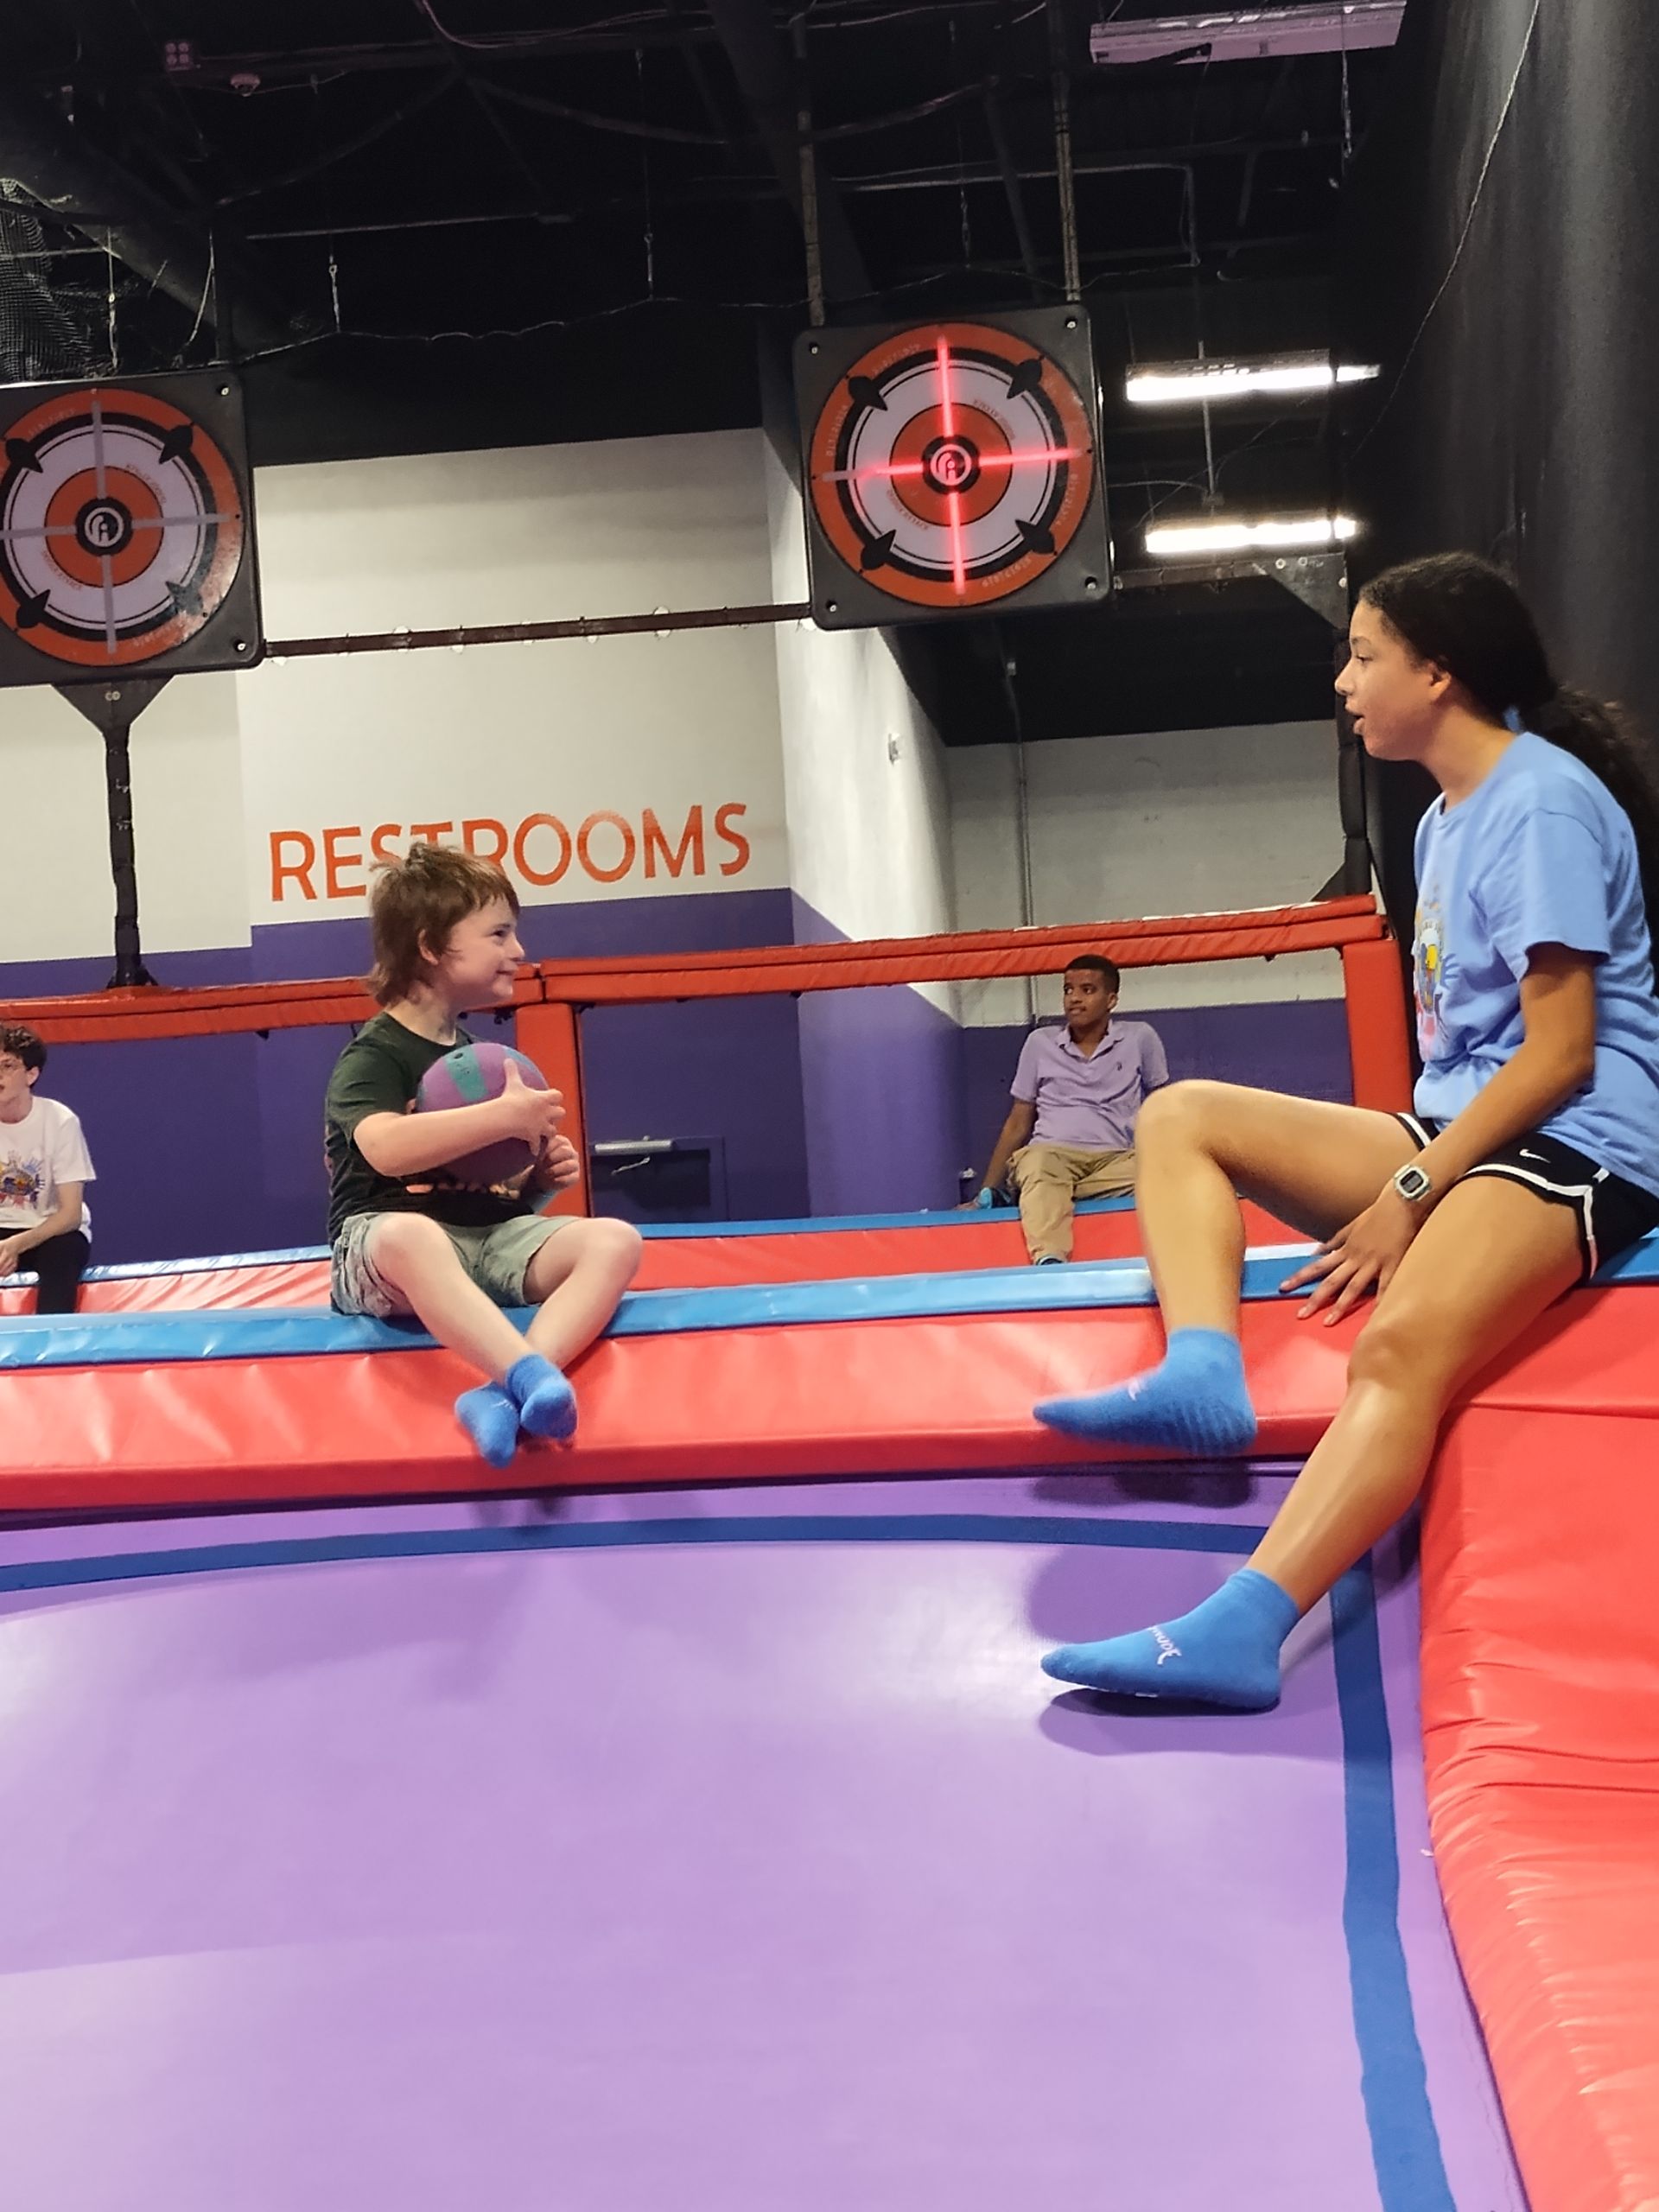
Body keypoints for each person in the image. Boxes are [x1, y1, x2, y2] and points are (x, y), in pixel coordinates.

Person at [1036, 552, 1659, 1709]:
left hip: (1585, 1131)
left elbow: (1562, 1052)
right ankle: (1203, 1373)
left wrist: (1411, 1193)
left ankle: (1243, 1629)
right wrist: (1414, 1162)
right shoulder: (1440, 820)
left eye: (1365, 655)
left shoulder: (1541, 800)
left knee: (1401, 1347)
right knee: (1181, 1117)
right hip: (1466, 1116)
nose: (1345, 683)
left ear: (1440, 669)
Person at [325, 842, 642, 1467]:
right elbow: (385, 1150)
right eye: (498, 934)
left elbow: (488, 1189)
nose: (518, 951)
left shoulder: (479, 1057)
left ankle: (504, 1393)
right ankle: (525, 1375)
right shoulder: (375, 1055)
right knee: (412, 1236)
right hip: (382, 1250)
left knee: (615, 1241)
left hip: (484, 1241)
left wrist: (536, 1187)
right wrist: (499, 1117)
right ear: (430, 947)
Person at [967, 956, 1168, 1262]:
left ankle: (1044, 1192)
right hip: (1052, 1155)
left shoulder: (1140, 1038)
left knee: (1167, 1174)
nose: (1074, 999)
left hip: (1116, 1163)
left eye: (1087, 990)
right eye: (1068, 990)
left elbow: (1164, 1108)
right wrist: (984, 1193)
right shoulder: (1039, 1043)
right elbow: (1018, 1121)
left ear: (1111, 999)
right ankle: (1050, 1258)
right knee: (1038, 1165)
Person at [0, 1022, 96, 1314]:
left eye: (7, 1066)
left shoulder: (59, 1121)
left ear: (31, 1074)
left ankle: (53, 1343)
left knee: (63, 1252)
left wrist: (16, 1245)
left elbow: (69, 1214)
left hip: (50, 1229)